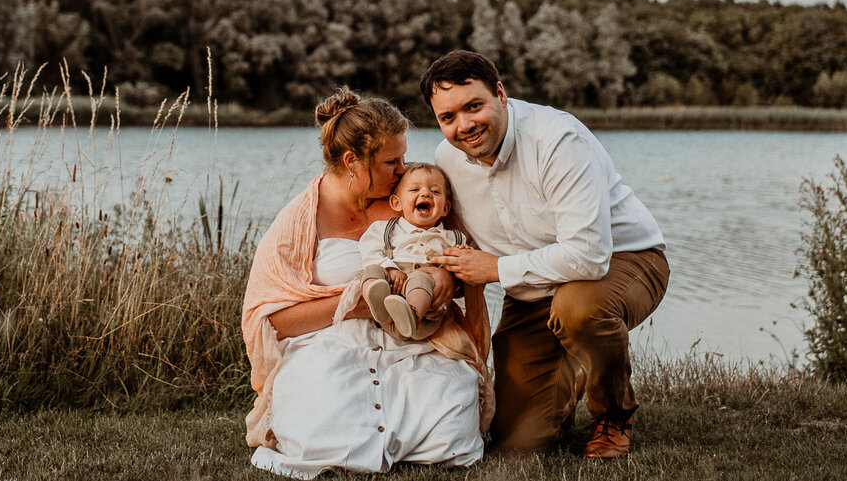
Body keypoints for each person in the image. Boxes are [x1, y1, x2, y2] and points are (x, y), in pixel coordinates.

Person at [422, 50, 669, 460]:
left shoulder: (557, 139)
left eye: (473, 106)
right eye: (448, 118)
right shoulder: (446, 160)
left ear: (500, 94)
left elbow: (589, 256)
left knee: (579, 309)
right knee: (517, 444)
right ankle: (561, 385)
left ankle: (613, 416)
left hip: (624, 261)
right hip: (533, 287)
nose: (463, 125)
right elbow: (455, 239)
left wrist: (496, 269)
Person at [242, 89, 494, 479]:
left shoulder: (406, 201)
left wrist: (444, 276)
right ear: (352, 162)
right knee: (321, 428)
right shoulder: (298, 220)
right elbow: (270, 322)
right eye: (392, 161)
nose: (403, 169)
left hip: (413, 339)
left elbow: (459, 257)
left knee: (451, 423)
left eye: (404, 157)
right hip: (329, 344)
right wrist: (353, 303)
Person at [359, 163, 469, 341]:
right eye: (415, 189)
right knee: (372, 270)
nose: (425, 193)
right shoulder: (385, 229)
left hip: (422, 320)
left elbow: (462, 275)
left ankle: (410, 312)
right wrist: (390, 269)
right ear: (397, 203)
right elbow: (369, 251)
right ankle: (377, 302)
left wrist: (461, 257)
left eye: (435, 191)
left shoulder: (452, 238)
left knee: (421, 277)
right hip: (386, 304)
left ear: (445, 208)